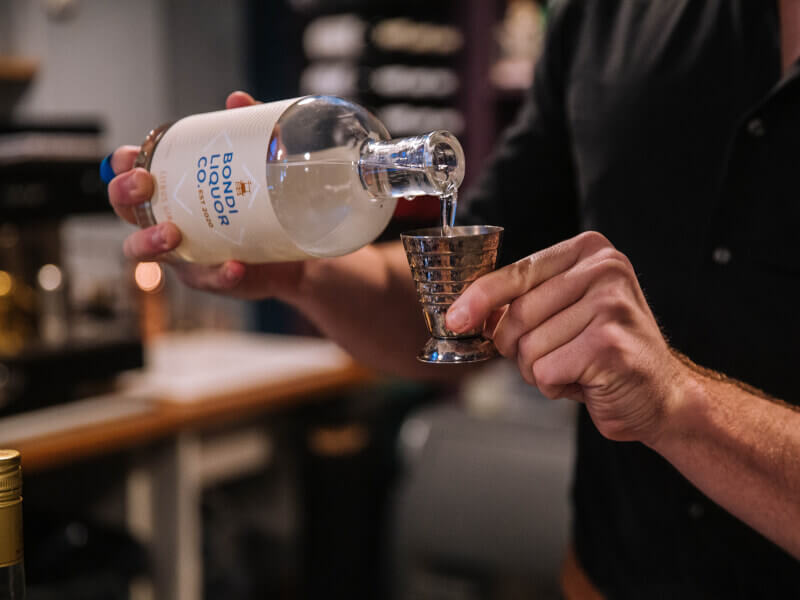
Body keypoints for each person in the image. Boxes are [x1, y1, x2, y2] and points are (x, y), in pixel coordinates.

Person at [106, 0, 800, 596]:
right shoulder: (611, 18)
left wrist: (679, 404)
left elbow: (661, 392)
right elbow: (460, 305)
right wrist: (295, 267)